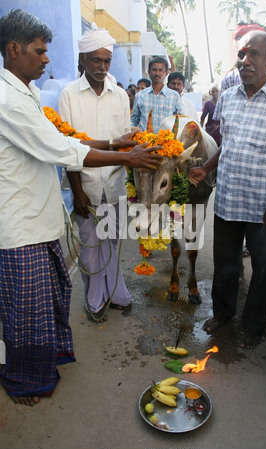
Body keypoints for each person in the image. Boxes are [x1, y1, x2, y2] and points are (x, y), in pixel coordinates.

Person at [0, 9, 163, 406]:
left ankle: (43, 363)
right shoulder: (10, 99)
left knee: (50, 297)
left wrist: (116, 145)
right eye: (39, 51)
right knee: (26, 311)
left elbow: (72, 140)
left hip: (43, 216)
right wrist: (127, 157)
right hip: (20, 223)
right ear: (14, 49)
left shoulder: (28, 93)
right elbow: (63, 147)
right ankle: (23, 381)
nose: (45, 59)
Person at [190, 31, 266, 349]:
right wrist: (207, 168)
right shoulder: (228, 96)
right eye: (241, 54)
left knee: (263, 269)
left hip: (263, 202)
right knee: (226, 264)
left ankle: (253, 325)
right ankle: (223, 314)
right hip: (227, 200)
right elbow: (229, 144)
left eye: (253, 54)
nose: (245, 61)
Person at [59, 23, 135, 323]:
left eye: (106, 60)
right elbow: (68, 147)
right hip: (86, 186)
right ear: (82, 61)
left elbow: (125, 142)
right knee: (90, 246)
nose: (102, 67)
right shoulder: (68, 95)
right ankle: (95, 300)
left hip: (115, 185)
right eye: (96, 61)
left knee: (113, 242)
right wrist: (76, 191)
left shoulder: (119, 96)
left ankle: (116, 294)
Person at [131, 56, 183, 133]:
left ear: (166, 73)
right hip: (144, 142)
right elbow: (134, 120)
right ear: (149, 72)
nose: (157, 73)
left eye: (160, 70)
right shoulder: (140, 96)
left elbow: (180, 122)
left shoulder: (174, 96)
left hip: (166, 143)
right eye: (154, 70)